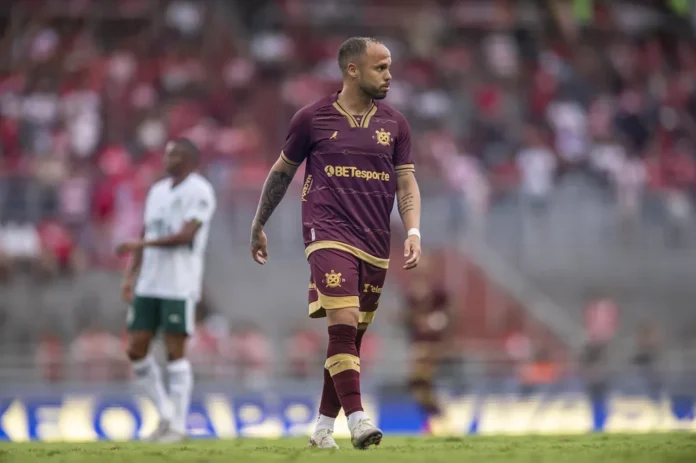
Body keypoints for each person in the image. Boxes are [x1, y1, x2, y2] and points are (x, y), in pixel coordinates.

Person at [249, 37, 422, 450]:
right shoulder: (312, 118)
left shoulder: (396, 124)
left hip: (375, 240)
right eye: (380, 67)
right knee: (343, 321)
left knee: (350, 338)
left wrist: (413, 231)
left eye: (389, 67)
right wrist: (258, 223)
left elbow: (406, 182)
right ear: (352, 70)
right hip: (327, 232)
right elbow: (281, 172)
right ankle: (358, 421)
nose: (389, 75)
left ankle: (323, 427)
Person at [116, 138, 216, 443]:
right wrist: (131, 275)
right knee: (135, 349)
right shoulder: (157, 191)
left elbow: (186, 236)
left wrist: (140, 244)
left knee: (175, 353)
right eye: (167, 154)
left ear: (189, 159)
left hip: (178, 284)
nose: (167, 159)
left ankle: (178, 427)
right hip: (149, 282)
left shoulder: (200, 191)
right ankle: (164, 415)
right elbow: (146, 231)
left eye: (173, 155)